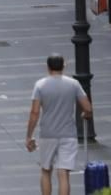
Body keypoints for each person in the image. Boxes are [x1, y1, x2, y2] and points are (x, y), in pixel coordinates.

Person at [25, 54, 93, 195]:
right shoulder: (73, 84)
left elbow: (35, 112)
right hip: (68, 134)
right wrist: (85, 115)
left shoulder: (40, 85)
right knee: (63, 173)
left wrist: (29, 136)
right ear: (63, 66)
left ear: (48, 67)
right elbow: (87, 108)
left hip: (47, 134)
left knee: (45, 170)